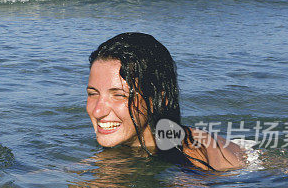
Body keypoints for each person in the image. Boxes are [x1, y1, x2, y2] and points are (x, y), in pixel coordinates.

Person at [85, 32, 244, 171]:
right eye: (93, 94)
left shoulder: (189, 161)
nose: (98, 111)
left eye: (119, 95)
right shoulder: (135, 144)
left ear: (158, 99)